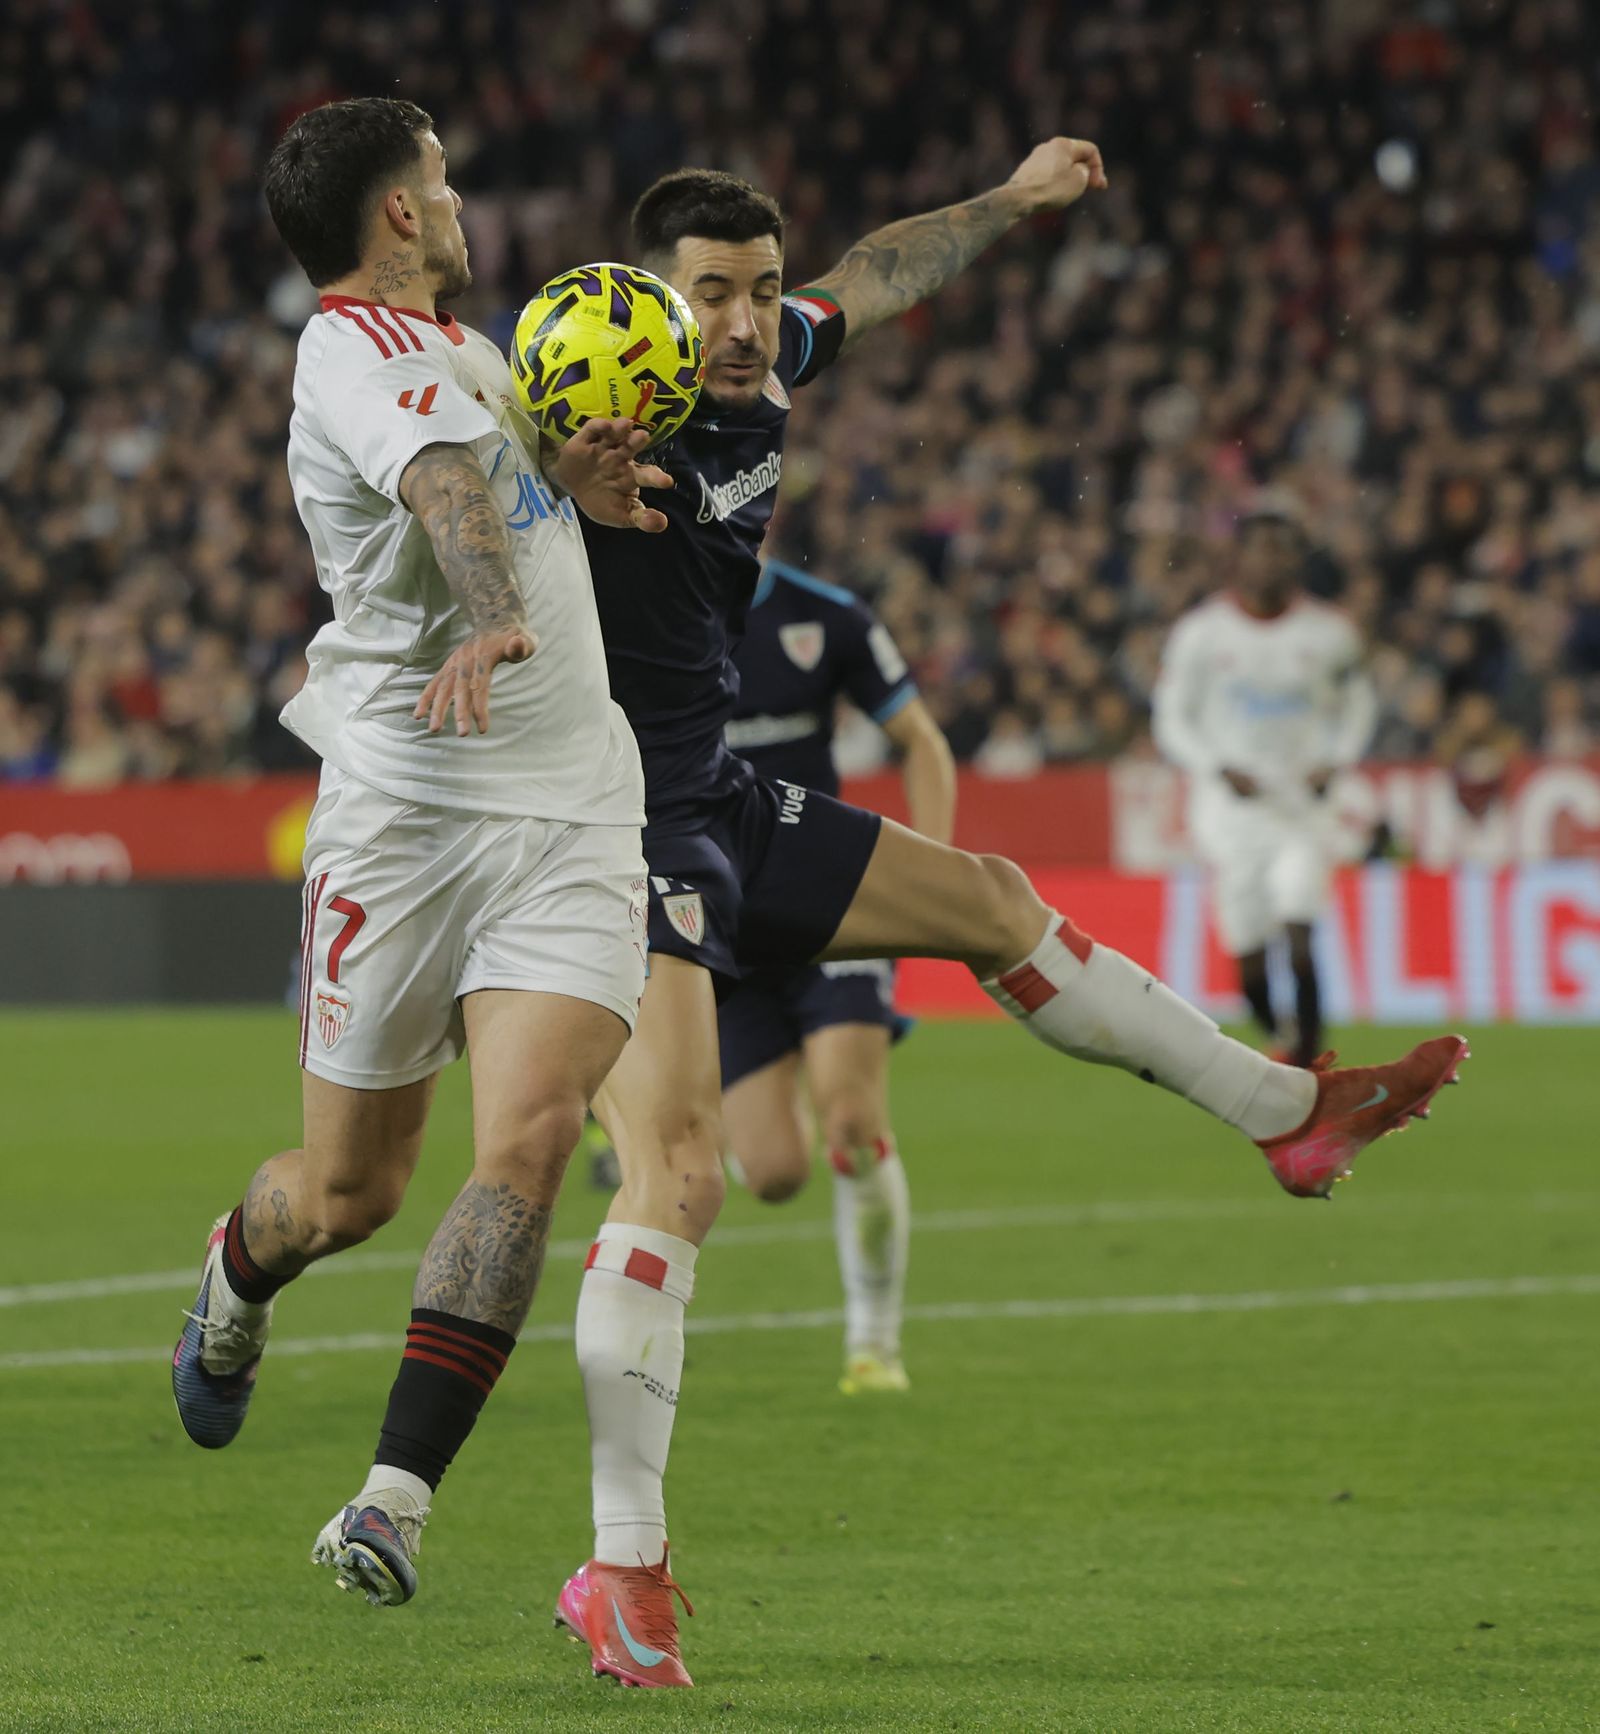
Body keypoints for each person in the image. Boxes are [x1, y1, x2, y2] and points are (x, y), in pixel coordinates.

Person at [549, 146, 1468, 1691]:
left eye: (763, 290)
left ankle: (1288, 1111)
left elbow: (885, 269)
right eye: (714, 293)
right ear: (651, 301)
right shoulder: (575, 423)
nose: (749, 321)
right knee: (686, 1174)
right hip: (601, 832)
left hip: (721, 801)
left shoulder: (767, 367)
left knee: (996, 902)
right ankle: (621, 1572)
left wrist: (1020, 202)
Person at [171, 98, 670, 1611]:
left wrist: (566, 494)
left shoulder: (468, 358)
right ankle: (236, 1273)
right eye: (442, 184)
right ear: (398, 216)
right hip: (405, 816)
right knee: (346, 1195)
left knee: (526, 1141)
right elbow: (447, 493)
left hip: (571, 801)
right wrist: (491, 607)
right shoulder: (356, 352)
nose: (459, 207)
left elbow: (495, 472)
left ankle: (392, 1498)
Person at [718, 558, 957, 1396]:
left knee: (852, 1118)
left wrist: (931, 878)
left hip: (833, 905)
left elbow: (920, 739)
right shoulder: (645, 613)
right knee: (774, 1171)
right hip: (723, 931)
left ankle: (874, 1346)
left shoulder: (830, 617)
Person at [1152, 502, 1378, 1066]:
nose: (1272, 562)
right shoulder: (1202, 634)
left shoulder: (1330, 633)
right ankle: (1278, 1033)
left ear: (1298, 560)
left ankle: (1308, 1064)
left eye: (1283, 550)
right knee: (1248, 955)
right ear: (1239, 559)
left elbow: (1359, 704)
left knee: (1301, 929)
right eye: (1261, 549)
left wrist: (1338, 759)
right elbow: (1172, 718)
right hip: (1232, 814)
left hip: (1302, 805)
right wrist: (1214, 766)